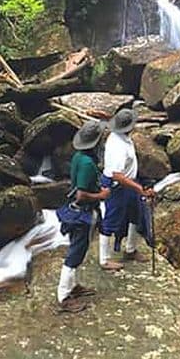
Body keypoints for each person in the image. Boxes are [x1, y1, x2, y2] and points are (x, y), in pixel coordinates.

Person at [55, 120, 110, 313]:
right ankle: (63, 296)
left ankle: (73, 285)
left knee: (78, 248)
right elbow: (81, 194)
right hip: (82, 213)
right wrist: (101, 195)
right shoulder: (87, 163)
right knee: (76, 252)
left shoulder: (79, 156)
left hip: (76, 211)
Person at [99, 108, 155, 270]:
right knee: (111, 220)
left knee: (135, 215)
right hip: (117, 186)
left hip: (129, 182)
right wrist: (139, 189)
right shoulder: (118, 147)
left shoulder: (120, 134)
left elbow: (112, 121)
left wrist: (104, 116)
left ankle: (130, 249)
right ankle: (104, 259)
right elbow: (117, 175)